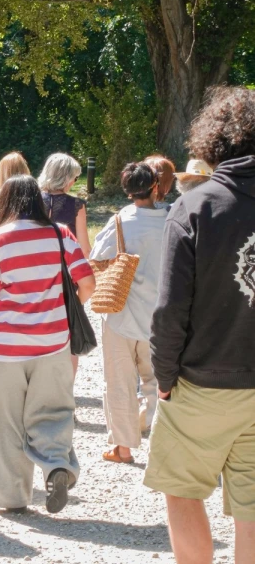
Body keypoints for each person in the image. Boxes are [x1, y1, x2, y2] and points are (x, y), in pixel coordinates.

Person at [144, 88, 255, 564]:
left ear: (215, 141)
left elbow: (170, 311)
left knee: (183, 493)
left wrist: (164, 379)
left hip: (203, 382)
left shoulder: (197, 205)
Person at [0, 176, 95, 515]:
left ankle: (11, 499)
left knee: (1, 424)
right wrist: (62, 314)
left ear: (5, 201)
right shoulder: (60, 235)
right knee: (52, 413)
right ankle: (56, 466)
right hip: (53, 344)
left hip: (2, 349)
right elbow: (88, 284)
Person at [89, 162, 167, 464]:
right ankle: (161, 445)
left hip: (120, 311)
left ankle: (123, 447)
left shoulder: (120, 220)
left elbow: (98, 257)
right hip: (160, 316)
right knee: (159, 383)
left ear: (127, 189)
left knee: (119, 383)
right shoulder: (172, 218)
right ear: (155, 185)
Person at [38, 152, 91, 257]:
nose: (74, 182)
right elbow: (84, 250)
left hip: (34, 264)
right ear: (67, 179)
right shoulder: (77, 205)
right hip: (64, 266)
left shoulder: (30, 200)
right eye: (75, 178)